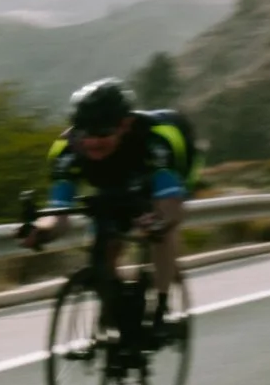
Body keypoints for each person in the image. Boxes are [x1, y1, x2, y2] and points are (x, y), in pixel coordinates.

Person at [20, 78, 201, 338]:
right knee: (103, 239)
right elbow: (59, 217)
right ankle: (112, 307)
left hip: (169, 170)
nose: (92, 141)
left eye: (103, 133)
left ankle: (161, 307)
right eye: (85, 133)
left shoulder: (154, 143)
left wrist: (159, 221)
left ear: (125, 124)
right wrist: (40, 230)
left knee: (161, 231)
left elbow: (172, 206)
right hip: (117, 180)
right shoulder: (66, 152)